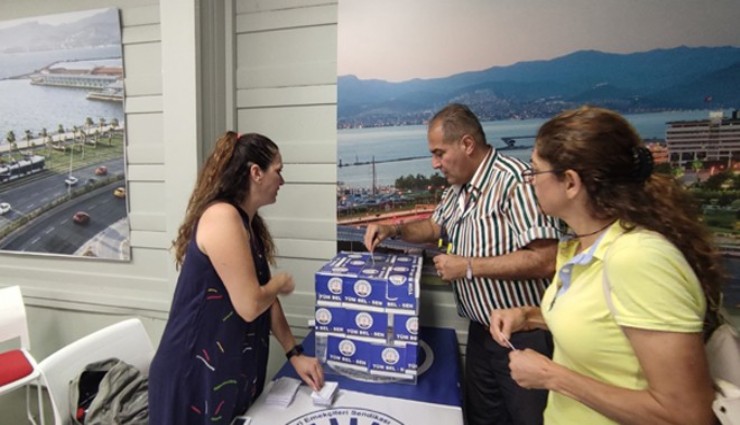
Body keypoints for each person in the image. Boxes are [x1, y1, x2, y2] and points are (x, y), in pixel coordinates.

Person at [489, 106, 721, 425]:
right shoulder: (582, 247)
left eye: (535, 172)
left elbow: (687, 414)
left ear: (570, 182)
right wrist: (530, 317)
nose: (529, 183)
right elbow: (608, 329)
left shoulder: (638, 259)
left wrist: (552, 376)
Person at [364, 103, 560, 425]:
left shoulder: (514, 181)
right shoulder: (458, 189)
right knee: (483, 419)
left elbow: (546, 259)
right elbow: (434, 227)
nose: (435, 163)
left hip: (523, 335)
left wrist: (468, 266)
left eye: (439, 153)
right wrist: (393, 230)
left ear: (467, 144)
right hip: (482, 333)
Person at [149, 132, 324, 425]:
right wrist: (280, 283)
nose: (282, 180)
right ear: (256, 173)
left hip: (227, 370)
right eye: (278, 170)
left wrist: (294, 353)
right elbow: (251, 303)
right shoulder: (222, 217)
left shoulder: (247, 223)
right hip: (193, 376)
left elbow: (266, 300)